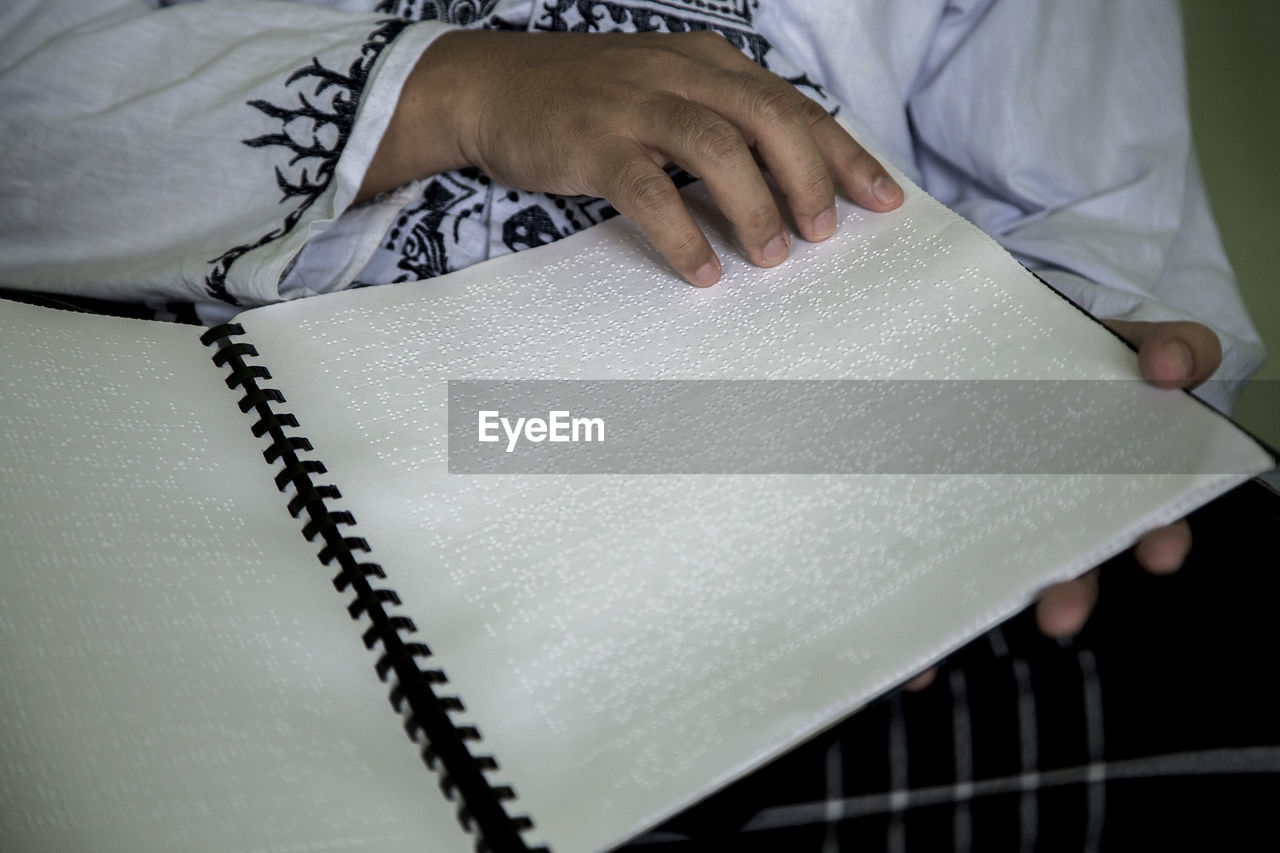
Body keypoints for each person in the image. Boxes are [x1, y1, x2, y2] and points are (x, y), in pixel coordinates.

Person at [1, 0, 1271, 846]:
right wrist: (441, 90)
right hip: (241, 535)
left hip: (847, 518)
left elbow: (1103, 221)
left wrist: (1083, 379)